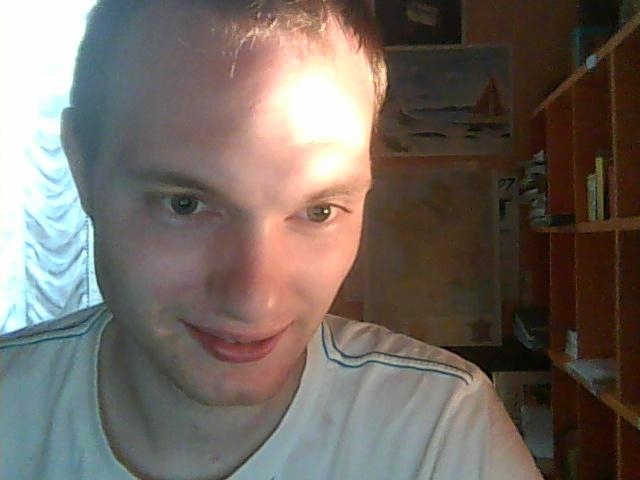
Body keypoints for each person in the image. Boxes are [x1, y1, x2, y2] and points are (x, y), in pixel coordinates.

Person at [0, 1, 543, 478]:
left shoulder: (440, 436)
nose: (254, 300)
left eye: (318, 211)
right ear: (83, 168)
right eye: (185, 204)